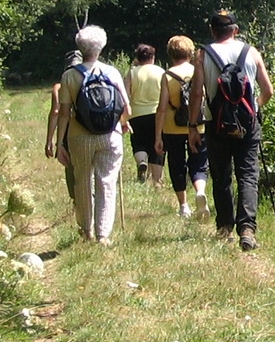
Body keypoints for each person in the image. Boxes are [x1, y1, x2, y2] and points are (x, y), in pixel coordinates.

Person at [189, 9, 273, 250]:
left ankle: (225, 226)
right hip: (248, 125)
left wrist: (193, 126)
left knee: (221, 175)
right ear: (235, 30)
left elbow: (196, 93)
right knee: (248, 175)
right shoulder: (251, 52)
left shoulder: (203, 54)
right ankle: (247, 229)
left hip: (216, 124)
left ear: (212, 31)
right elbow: (268, 91)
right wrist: (253, 107)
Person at [56, 25, 131, 245]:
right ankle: (103, 234)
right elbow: (127, 109)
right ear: (102, 46)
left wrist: (59, 143)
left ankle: (86, 230)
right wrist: (122, 124)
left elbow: (64, 113)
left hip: (79, 136)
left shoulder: (69, 76)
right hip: (110, 135)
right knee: (106, 181)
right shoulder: (112, 72)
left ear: (80, 47)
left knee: (82, 181)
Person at [153, 35, 210, 219]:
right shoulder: (198, 71)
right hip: (198, 125)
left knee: (176, 164)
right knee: (199, 162)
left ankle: (184, 205)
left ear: (170, 53)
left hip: (172, 127)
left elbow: (162, 108)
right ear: (190, 53)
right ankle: (200, 191)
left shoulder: (168, 75)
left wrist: (158, 136)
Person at [45, 49, 83, 206]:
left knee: (70, 165)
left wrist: (50, 140)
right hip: (87, 128)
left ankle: (76, 200)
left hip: (67, 131)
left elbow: (56, 112)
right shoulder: (89, 81)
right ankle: (90, 196)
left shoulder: (59, 87)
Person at [125, 43, 165, 185]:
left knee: (139, 142)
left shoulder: (132, 73)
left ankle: (142, 161)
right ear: (153, 57)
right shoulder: (161, 72)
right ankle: (157, 180)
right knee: (157, 144)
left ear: (138, 58)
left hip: (136, 115)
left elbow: (125, 95)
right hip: (157, 113)